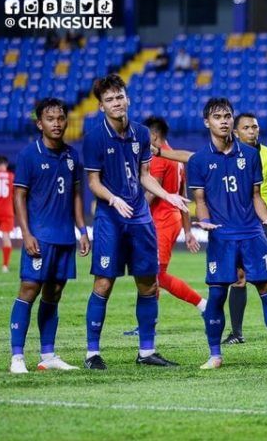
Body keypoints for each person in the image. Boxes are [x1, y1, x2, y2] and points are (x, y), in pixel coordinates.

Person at [147, 113, 267, 345]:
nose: (252, 131)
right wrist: (160, 152)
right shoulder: (220, 154)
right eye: (247, 127)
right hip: (234, 221)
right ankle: (236, 332)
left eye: (255, 127)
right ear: (236, 132)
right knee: (238, 277)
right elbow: (192, 158)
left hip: (265, 217)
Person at [82, 74, 188, 370]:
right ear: (101, 106)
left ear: (127, 99)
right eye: (110, 99)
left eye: (120, 97)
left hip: (140, 217)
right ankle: (92, 353)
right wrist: (113, 199)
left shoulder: (141, 133)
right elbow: (93, 181)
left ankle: (146, 351)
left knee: (148, 283)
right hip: (110, 219)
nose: (116, 103)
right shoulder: (94, 138)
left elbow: (144, 175)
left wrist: (169, 196)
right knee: (103, 283)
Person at [186, 97, 267, 370]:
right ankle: (215, 355)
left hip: (252, 233)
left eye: (227, 116)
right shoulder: (198, 161)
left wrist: (266, 218)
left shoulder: (250, 154)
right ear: (207, 122)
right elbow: (200, 200)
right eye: (218, 116)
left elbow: (256, 195)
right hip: (221, 236)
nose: (223, 121)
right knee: (218, 293)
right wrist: (205, 221)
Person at [9, 98, 90, 374]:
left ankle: (48, 355)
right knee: (29, 291)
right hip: (39, 237)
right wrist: (26, 233)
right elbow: (19, 196)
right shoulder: (28, 155)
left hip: (65, 237)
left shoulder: (72, 156)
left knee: (54, 294)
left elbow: (77, 196)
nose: (56, 123)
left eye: (60, 118)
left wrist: (82, 230)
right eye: (50, 119)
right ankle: (17, 357)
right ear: (39, 123)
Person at [123, 117, 206, 336]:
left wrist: (132, 214)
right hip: (171, 219)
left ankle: (203, 305)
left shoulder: (159, 158)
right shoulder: (175, 156)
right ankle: (147, 324)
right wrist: (187, 231)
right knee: (152, 273)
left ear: (154, 136)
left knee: (156, 274)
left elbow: (152, 191)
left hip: (161, 221)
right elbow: (182, 195)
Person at [0, 155, 14, 273]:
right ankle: (5, 266)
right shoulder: (12, 176)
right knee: (6, 237)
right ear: (6, 165)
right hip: (7, 211)